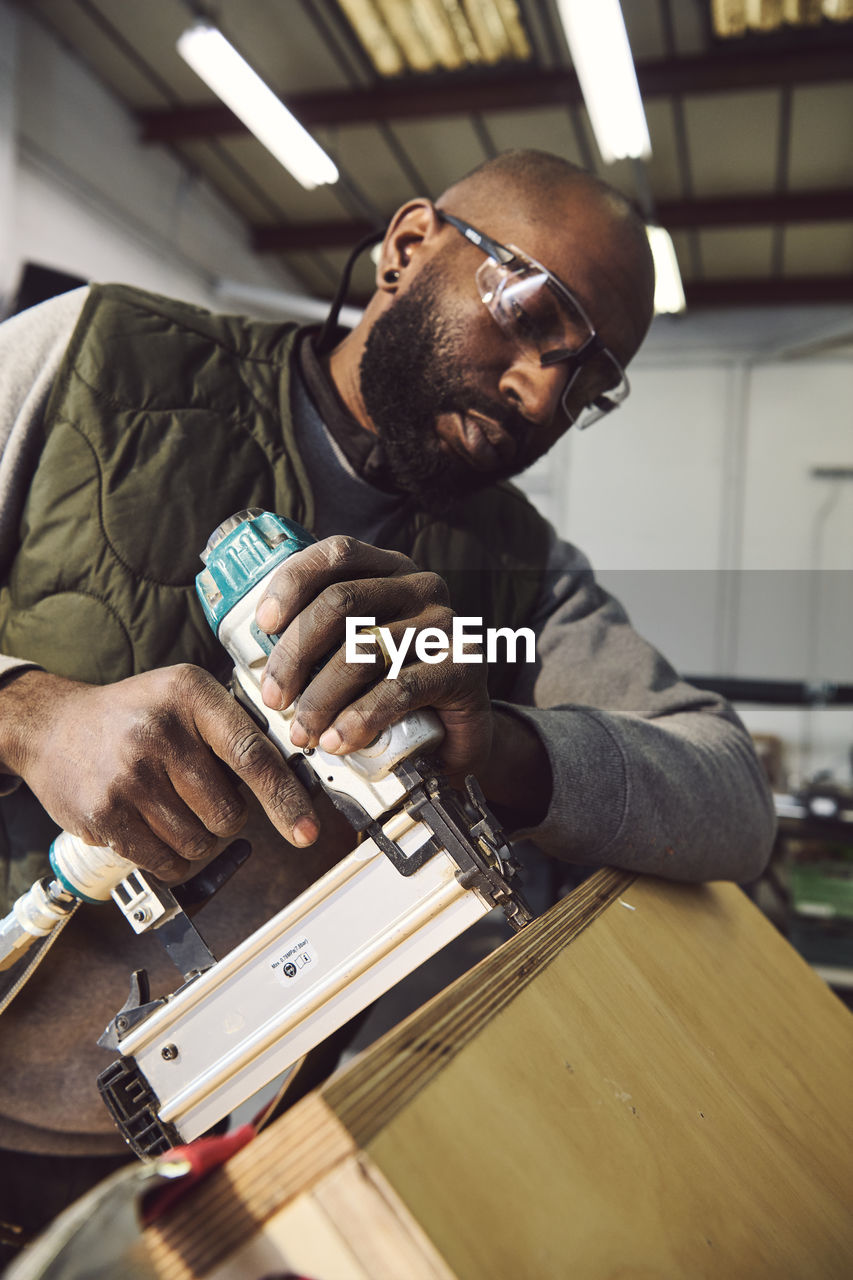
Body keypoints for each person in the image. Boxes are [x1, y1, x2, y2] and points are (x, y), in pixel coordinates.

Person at [0, 149, 775, 1257]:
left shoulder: (518, 575)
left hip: (189, 1174)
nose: (541, 393)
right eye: (531, 318)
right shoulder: (99, 363)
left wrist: (498, 747)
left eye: (585, 382)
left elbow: (731, 797)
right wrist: (29, 713)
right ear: (408, 248)